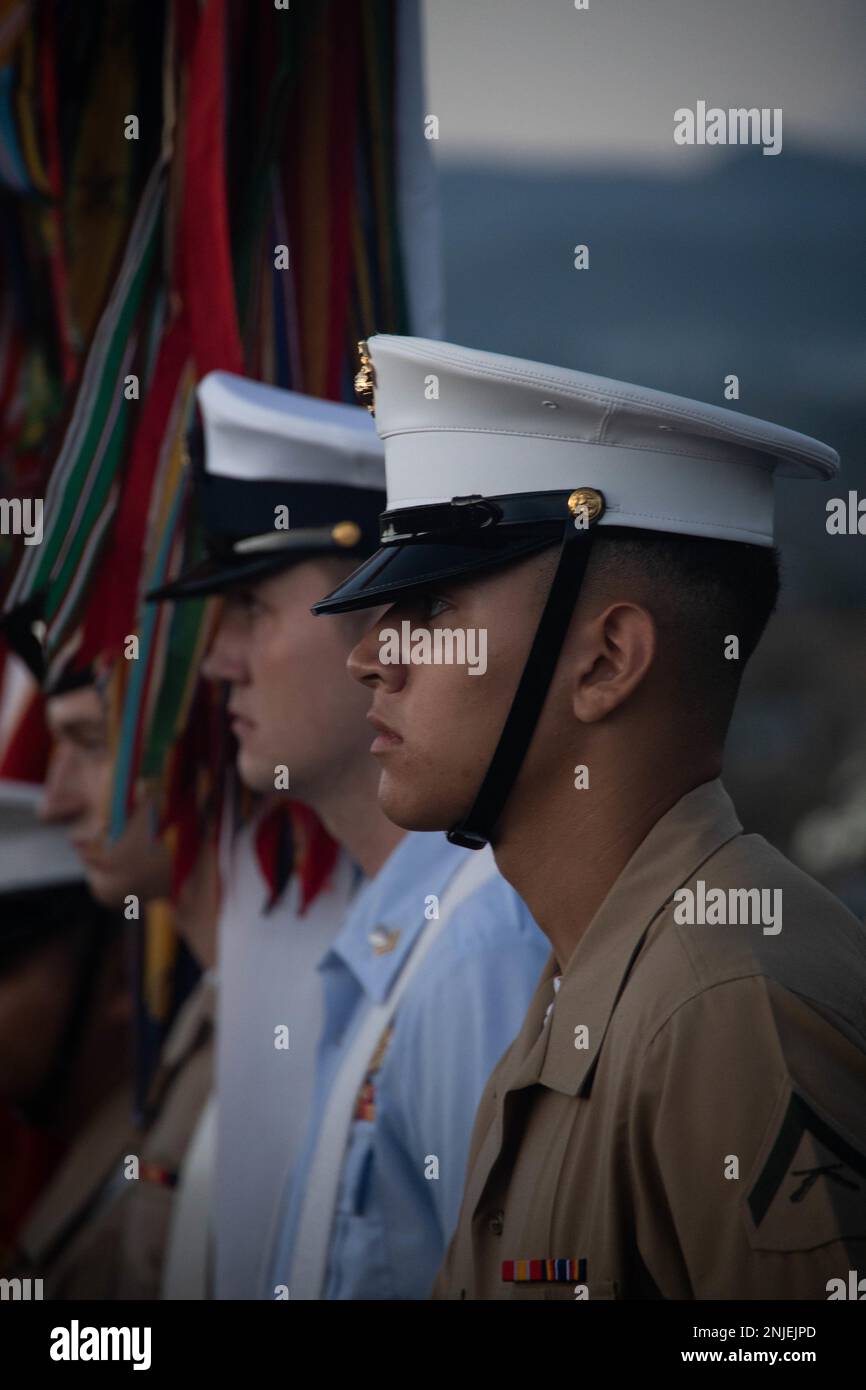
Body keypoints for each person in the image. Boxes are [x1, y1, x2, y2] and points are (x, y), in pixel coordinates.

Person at [313, 333, 866, 1300]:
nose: (370, 658)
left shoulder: (727, 1008)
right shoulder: (584, 990)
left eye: (432, 607)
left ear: (608, 661)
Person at [148, 371, 549, 1299]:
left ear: (376, 617)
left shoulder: (479, 949)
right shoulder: (404, 934)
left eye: (251, 609)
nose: (217, 663)